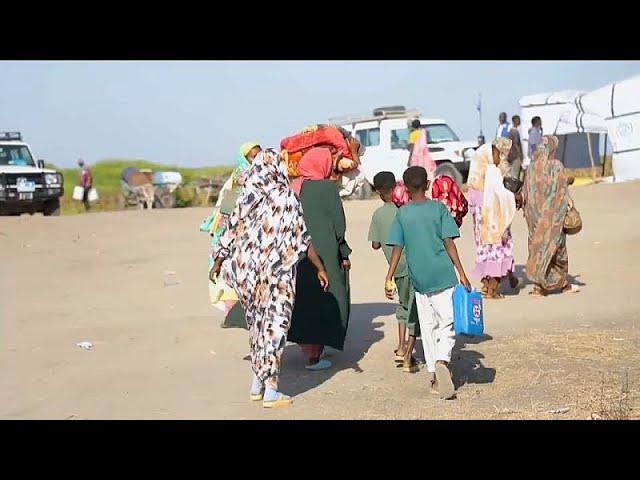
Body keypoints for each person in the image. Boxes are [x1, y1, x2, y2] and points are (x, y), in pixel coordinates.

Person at [210, 150, 329, 408]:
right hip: (276, 275)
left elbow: (229, 231)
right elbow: (303, 237)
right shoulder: (286, 197)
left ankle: (256, 384)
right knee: (274, 329)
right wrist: (319, 267)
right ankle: (271, 390)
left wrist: (218, 260)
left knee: (256, 329)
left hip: (247, 276)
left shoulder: (245, 197)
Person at [384, 166, 471, 400]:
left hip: (420, 279)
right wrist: (461, 272)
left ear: (406, 188)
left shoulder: (402, 214)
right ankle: (443, 360)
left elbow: (396, 247)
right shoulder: (438, 209)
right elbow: (449, 242)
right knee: (448, 323)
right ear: (428, 183)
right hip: (443, 274)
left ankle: (434, 376)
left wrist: (389, 276)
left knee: (429, 325)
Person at [288, 147, 352, 370]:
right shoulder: (327, 188)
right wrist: (343, 252)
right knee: (329, 297)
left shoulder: (293, 188)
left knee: (305, 299)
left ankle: (310, 351)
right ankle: (317, 353)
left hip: (300, 252)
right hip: (324, 251)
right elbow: (338, 225)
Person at [204, 142, 261, 327]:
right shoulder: (239, 178)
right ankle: (234, 315)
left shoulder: (265, 175)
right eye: (252, 156)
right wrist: (223, 233)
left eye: (258, 155)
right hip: (238, 232)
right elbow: (228, 207)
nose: (256, 160)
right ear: (244, 158)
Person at [368, 171, 419, 372]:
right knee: (413, 307)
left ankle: (400, 346)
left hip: (394, 269)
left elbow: (375, 244)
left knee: (402, 306)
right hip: (411, 265)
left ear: (379, 193)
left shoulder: (378, 215)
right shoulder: (404, 210)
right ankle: (408, 354)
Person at [523, 136, 580, 297]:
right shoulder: (556, 166)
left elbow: (526, 192)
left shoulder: (531, 168)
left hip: (534, 218)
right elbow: (561, 189)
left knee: (537, 249)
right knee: (557, 248)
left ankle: (538, 286)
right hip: (553, 217)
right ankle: (563, 284)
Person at [467, 138, 521, 299]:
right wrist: (515, 197)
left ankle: (488, 284)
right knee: (496, 251)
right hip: (493, 221)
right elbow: (499, 194)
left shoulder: (476, 177)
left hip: (482, 222)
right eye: (497, 154)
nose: (499, 158)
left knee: (485, 251)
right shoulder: (491, 172)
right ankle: (492, 289)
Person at [506, 115, 524, 180]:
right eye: (518, 120)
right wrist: (520, 154)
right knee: (515, 175)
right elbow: (516, 144)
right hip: (516, 156)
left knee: (511, 174)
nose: (520, 121)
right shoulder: (515, 132)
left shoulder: (510, 132)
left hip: (510, 155)